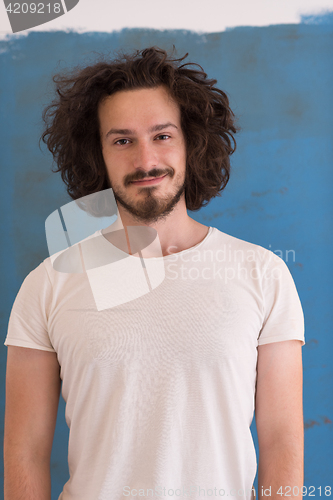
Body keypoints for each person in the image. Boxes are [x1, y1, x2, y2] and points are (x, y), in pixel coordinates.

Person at [3, 47, 305, 500]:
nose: (145, 161)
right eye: (122, 140)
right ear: (97, 154)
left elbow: (282, 439)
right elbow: (24, 451)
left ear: (191, 143)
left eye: (162, 135)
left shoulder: (263, 273)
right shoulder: (47, 284)